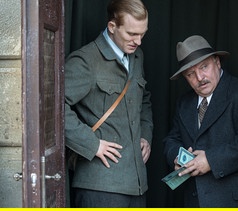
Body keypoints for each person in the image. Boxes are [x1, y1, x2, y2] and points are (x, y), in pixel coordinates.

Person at [64, 0, 153, 207]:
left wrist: (145, 136)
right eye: (132, 34)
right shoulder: (85, 61)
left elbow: (144, 99)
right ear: (112, 27)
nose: (138, 41)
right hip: (99, 186)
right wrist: (91, 143)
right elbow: (53, 109)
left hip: (137, 183)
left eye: (143, 34)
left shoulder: (137, 56)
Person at [163, 35, 238, 207]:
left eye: (204, 67)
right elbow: (171, 140)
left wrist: (210, 160)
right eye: (191, 74)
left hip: (231, 201)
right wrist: (177, 157)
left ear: (217, 62)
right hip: (194, 201)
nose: (200, 77)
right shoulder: (184, 103)